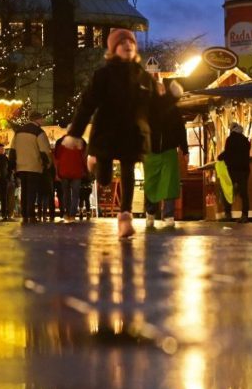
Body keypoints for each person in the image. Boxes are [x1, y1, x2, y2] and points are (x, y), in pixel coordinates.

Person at [62, 28, 181, 238]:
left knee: (128, 172)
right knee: (105, 179)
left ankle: (125, 216)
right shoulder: (103, 75)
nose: (128, 46)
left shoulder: (143, 77)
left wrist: (171, 97)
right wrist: (75, 133)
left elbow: (155, 107)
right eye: (122, 43)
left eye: (131, 43)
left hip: (133, 134)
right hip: (107, 133)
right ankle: (97, 164)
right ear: (113, 49)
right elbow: (88, 104)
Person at [144, 94, 188, 229]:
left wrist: (185, 149)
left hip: (169, 150)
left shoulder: (173, 109)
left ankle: (168, 215)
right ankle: (150, 212)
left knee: (169, 183)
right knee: (151, 182)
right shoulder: (146, 108)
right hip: (151, 151)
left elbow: (181, 129)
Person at [9, 111, 52, 224]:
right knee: (32, 191)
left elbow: (12, 150)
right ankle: (31, 215)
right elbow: (44, 151)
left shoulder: (18, 132)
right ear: (37, 119)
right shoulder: (39, 132)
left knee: (24, 190)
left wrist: (12, 165)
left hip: (20, 167)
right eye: (42, 119)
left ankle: (25, 215)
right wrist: (47, 164)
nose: (42, 121)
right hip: (34, 166)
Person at [219, 122, 251, 223]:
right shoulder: (246, 140)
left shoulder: (230, 139)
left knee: (227, 191)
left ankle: (228, 214)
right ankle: (245, 215)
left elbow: (227, 153)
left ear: (232, 129)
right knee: (244, 194)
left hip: (233, 170)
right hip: (245, 170)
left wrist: (220, 157)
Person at [54, 134, 88, 223]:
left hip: (64, 171)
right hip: (77, 171)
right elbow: (85, 156)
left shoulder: (61, 141)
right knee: (75, 194)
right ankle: (72, 214)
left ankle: (67, 213)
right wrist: (86, 170)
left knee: (66, 193)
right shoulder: (81, 141)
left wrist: (57, 172)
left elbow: (57, 157)